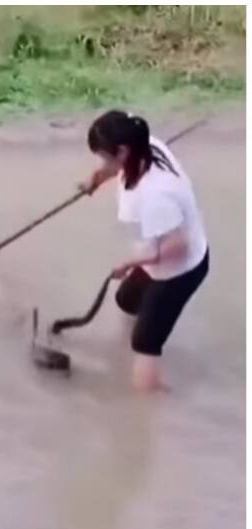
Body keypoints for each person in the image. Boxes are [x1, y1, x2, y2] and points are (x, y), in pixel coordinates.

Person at [80, 110, 209, 392]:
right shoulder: (144, 144)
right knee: (126, 299)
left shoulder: (157, 195)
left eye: (103, 156)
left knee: (145, 345)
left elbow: (178, 247)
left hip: (180, 270)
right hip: (157, 256)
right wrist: (98, 177)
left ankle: (150, 407)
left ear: (123, 151)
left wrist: (131, 262)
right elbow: (119, 166)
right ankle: (147, 326)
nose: (103, 162)